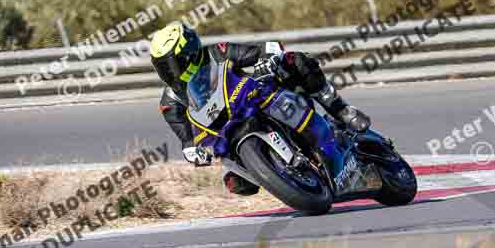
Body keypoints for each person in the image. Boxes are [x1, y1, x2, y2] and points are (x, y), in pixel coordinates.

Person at [149, 22, 370, 196]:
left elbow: (263, 50)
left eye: (173, 63)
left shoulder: (217, 53)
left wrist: (266, 60)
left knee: (295, 61)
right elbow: (186, 139)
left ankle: (340, 109)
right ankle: (284, 177)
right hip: (227, 137)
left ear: (189, 52)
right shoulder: (170, 102)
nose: (170, 72)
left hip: (255, 99)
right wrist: (191, 151)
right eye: (163, 67)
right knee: (236, 184)